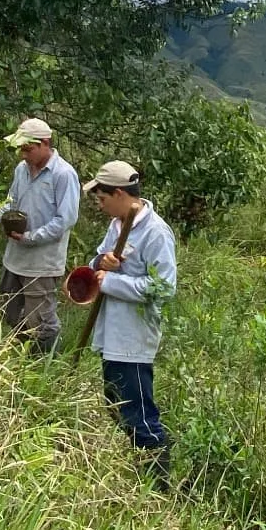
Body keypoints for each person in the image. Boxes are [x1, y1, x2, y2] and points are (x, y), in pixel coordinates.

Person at [84, 160, 176, 487]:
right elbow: (96, 261)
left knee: (136, 412)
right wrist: (101, 263)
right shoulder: (118, 223)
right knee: (115, 403)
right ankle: (144, 464)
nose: (100, 204)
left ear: (120, 193)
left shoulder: (156, 233)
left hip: (134, 339)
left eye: (103, 198)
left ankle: (159, 484)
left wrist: (111, 282)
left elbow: (163, 289)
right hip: (112, 333)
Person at [0, 117, 81, 354]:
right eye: (21, 149)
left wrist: (32, 237)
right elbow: (10, 203)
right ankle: (21, 355)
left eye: (28, 149)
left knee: (40, 320)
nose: (23, 155)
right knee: (10, 311)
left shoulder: (63, 174)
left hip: (42, 262)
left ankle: (46, 367)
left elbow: (65, 219)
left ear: (45, 143)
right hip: (15, 257)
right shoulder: (21, 170)